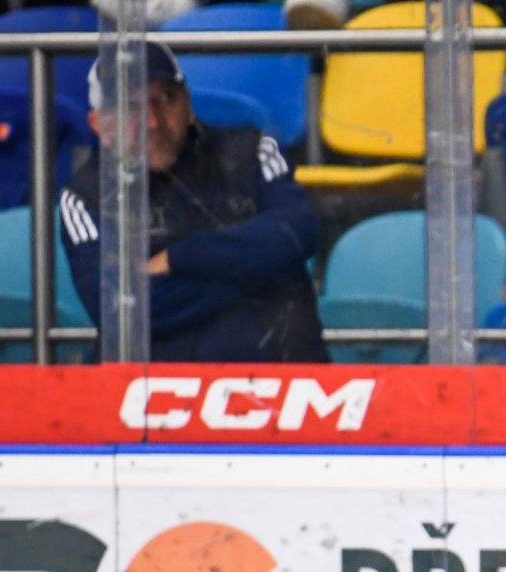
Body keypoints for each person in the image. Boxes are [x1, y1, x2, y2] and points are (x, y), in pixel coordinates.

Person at [59, 40, 327, 363]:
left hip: (281, 374)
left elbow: (298, 230)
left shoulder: (252, 150)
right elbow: (119, 312)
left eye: (166, 97)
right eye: (130, 107)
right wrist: (257, 274)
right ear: (99, 125)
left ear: (187, 104)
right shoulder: (85, 196)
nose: (152, 121)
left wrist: (180, 258)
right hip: (153, 387)